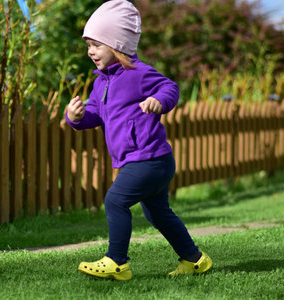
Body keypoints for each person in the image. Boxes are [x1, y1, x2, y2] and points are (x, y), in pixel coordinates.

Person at [66, 0, 212, 281]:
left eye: (96, 45)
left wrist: (159, 100)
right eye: (88, 46)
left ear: (117, 44)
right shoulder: (100, 83)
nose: (90, 52)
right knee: (159, 215)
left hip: (150, 159)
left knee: (115, 201)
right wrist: (75, 117)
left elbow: (170, 87)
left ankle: (117, 262)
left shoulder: (138, 73)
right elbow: (94, 115)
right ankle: (194, 260)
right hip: (141, 160)